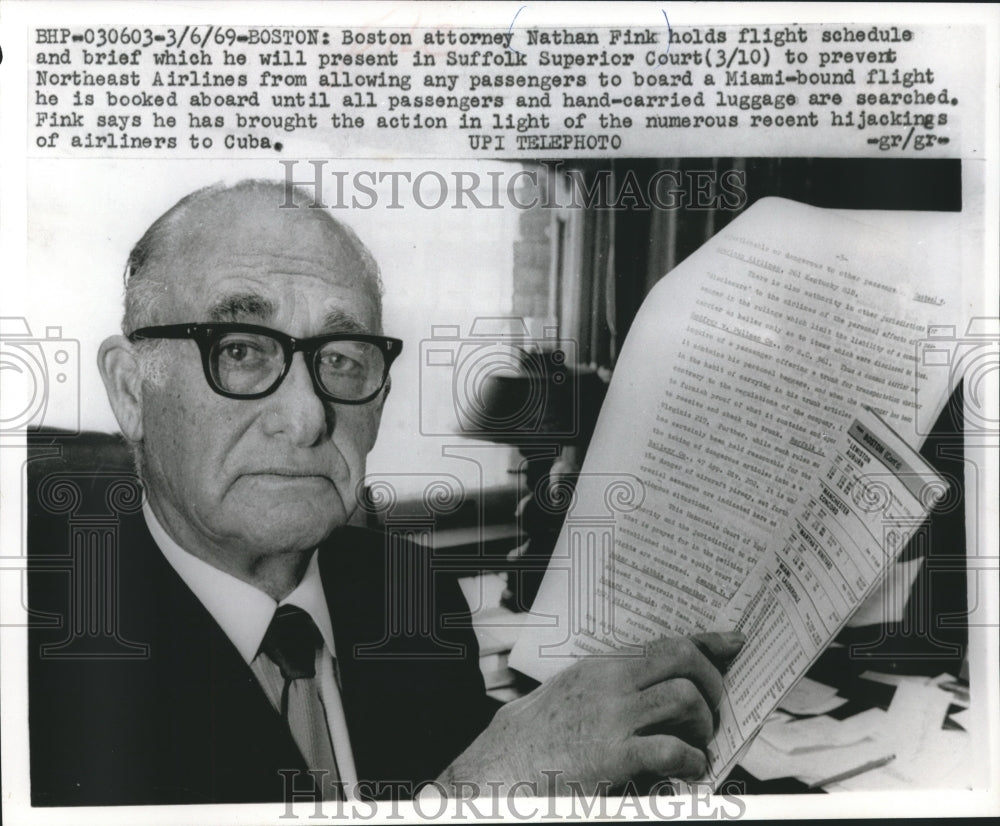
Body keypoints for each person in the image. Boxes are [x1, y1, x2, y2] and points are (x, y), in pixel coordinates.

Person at [27, 179, 744, 806]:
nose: (308, 419)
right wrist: (482, 793)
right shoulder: (51, 669)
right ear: (130, 391)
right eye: (240, 350)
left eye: (341, 360)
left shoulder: (413, 592)